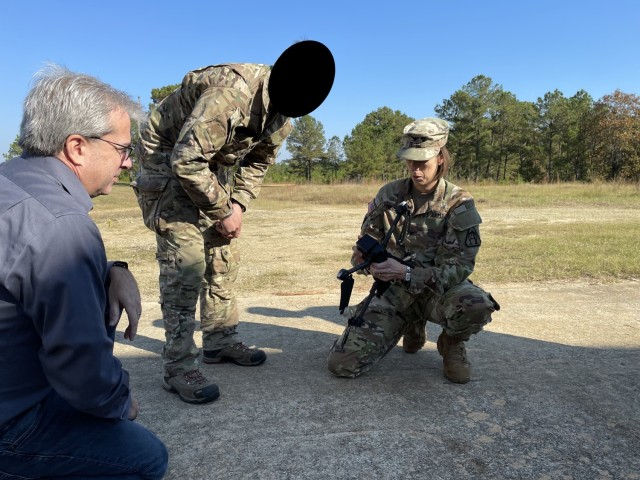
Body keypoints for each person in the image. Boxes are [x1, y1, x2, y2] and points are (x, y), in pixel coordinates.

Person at [133, 40, 335, 404]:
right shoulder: (228, 95)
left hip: (210, 167)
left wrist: (237, 205)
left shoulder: (284, 114)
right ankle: (178, 367)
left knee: (223, 259)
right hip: (167, 159)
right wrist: (221, 210)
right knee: (187, 264)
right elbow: (186, 161)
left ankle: (220, 340)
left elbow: (257, 163)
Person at [0, 65, 168, 479]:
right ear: (77, 146)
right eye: (123, 149)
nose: (128, 164)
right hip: (10, 421)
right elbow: (80, 366)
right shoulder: (61, 225)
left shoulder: (11, 186)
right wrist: (119, 401)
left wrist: (113, 269)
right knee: (143, 458)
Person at [328, 118, 500, 383]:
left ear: (441, 158)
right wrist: (365, 261)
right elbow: (367, 241)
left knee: (475, 305)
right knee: (342, 364)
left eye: (423, 163)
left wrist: (408, 273)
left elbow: (459, 267)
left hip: (438, 292)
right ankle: (411, 324)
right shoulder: (389, 194)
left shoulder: (459, 203)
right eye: (411, 161)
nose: (416, 170)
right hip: (395, 293)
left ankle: (451, 342)